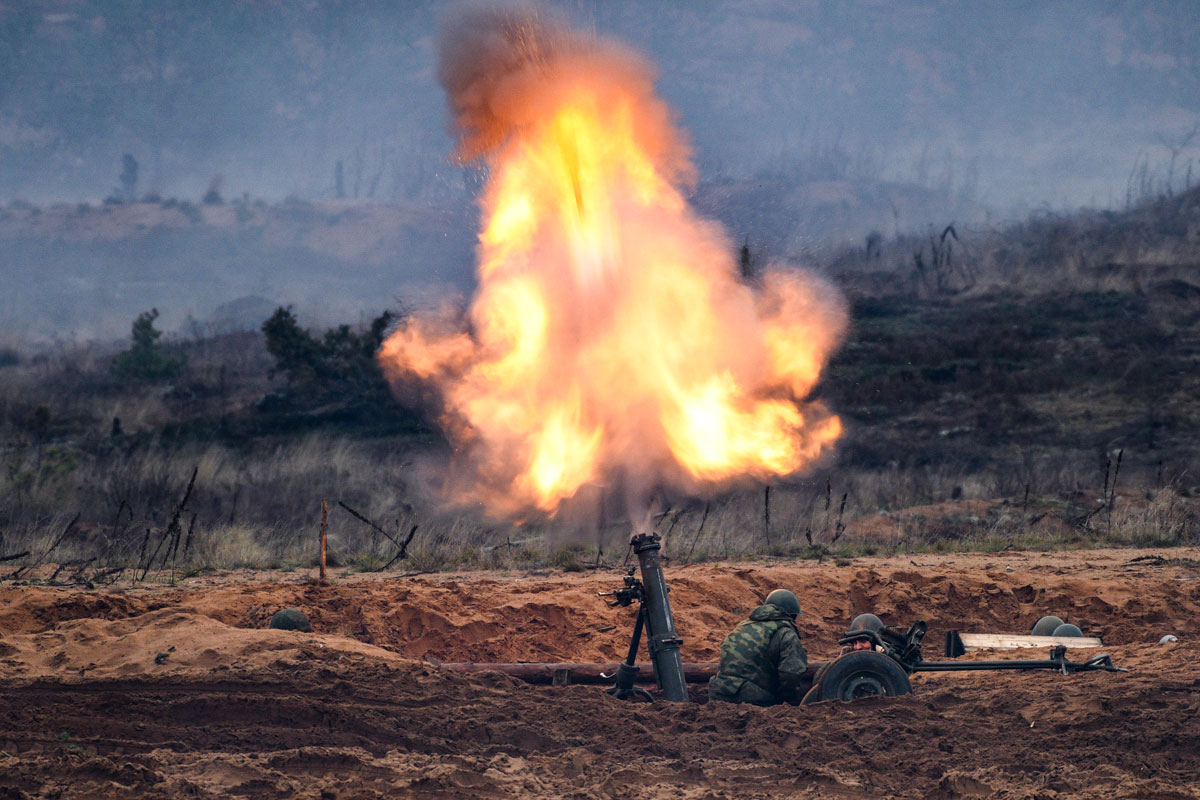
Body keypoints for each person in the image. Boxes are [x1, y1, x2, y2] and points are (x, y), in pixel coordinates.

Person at [708, 589, 809, 706]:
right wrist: (790, 703)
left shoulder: (743, 626)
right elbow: (791, 674)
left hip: (718, 694)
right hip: (751, 699)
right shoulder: (786, 634)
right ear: (792, 615)